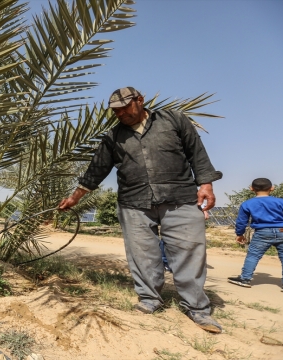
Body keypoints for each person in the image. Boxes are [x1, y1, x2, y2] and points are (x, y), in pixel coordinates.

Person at [58, 87, 223, 333]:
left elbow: (196, 153)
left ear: (140, 100)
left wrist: (206, 184)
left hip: (180, 197)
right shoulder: (113, 136)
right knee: (142, 254)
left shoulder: (174, 120)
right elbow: (97, 170)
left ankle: (197, 308)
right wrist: (75, 198)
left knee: (189, 252)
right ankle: (150, 299)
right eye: (116, 110)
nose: (122, 113)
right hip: (133, 202)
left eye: (126, 106)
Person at [227, 178, 283, 294]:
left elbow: (241, 221)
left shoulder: (247, 204)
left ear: (251, 188)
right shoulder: (282, 202)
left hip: (262, 232)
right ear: (272, 188)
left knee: (253, 256)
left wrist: (239, 234)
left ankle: (245, 279)